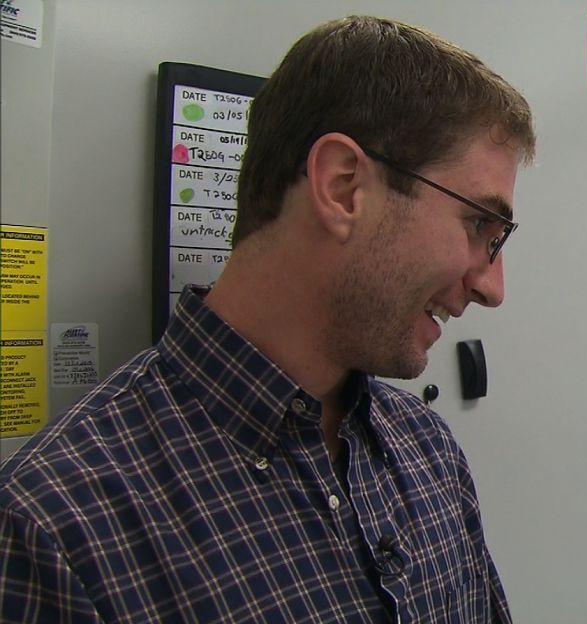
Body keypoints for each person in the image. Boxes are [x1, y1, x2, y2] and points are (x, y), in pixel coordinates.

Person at [0, 15, 535, 623]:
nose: (493, 287)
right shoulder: (55, 529)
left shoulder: (428, 453)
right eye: (479, 226)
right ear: (342, 186)